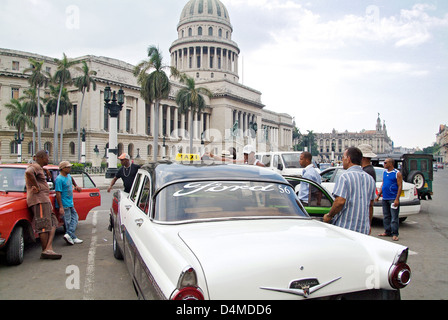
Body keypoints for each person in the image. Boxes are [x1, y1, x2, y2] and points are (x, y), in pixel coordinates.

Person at [323, 147, 376, 235]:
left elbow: (339, 202)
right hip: (363, 229)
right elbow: (370, 205)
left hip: (346, 228)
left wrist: (329, 216)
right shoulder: (370, 179)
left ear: (348, 159)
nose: (342, 160)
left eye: (343, 158)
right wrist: (368, 224)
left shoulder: (344, 177)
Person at [25, 150, 62, 260]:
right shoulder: (35, 166)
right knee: (43, 225)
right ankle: (45, 250)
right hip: (39, 200)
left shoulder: (39, 167)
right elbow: (28, 172)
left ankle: (48, 248)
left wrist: (44, 169)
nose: (48, 159)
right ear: (40, 157)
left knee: (53, 221)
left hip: (43, 200)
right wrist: (36, 186)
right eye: (46, 157)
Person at [55, 161, 83, 245]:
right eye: (68, 167)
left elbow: (72, 180)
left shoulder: (68, 176)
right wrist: (61, 207)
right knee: (68, 221)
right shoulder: (59, 179)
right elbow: (58, 193)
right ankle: (71, 235)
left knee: (74, 218)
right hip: (64, 203)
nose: (70, 168)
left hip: (69, 202)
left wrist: (76, 186)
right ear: (63, 169)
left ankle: (70, 235)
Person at [376, 158, 403, 241]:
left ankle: (395, 233)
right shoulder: (385, 172)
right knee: (386, 216)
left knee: (394, 217)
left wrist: (397, 199)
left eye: (385, 163)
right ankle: (387, 231)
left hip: (392, 198)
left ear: (391, 164)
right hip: (385, 198)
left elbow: (400, 186)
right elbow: (383, 184)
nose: (384, 164)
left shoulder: (397, 173)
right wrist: (379, 195)